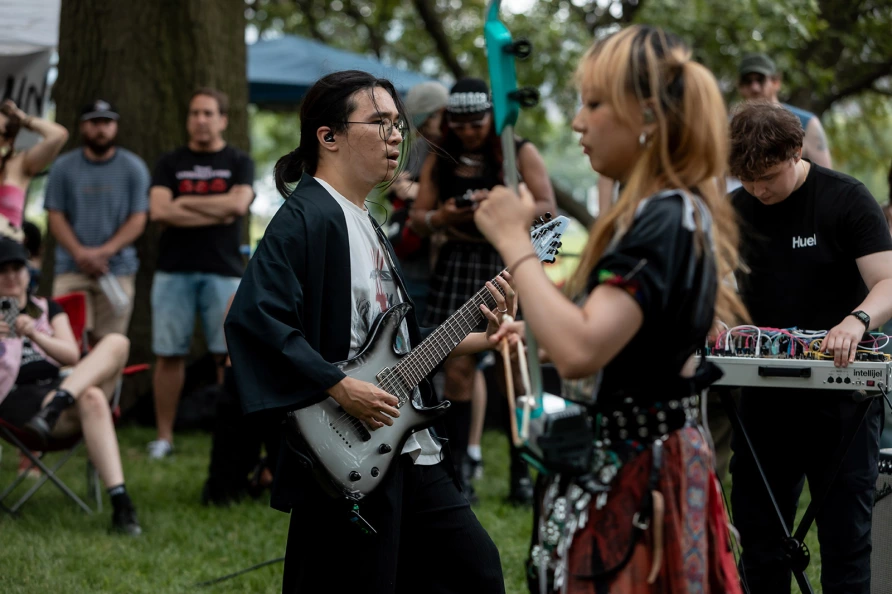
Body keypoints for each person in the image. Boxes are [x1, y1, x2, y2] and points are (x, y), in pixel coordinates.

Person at [475, 25, 746, 592]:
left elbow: (578, 349)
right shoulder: (666, 211)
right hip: (632, 462)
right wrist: (536, 323)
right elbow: (607, 335)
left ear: (647, 116)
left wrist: (515, 244)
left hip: (640, 474)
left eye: (595, 104)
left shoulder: (665, 219)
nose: (578, 122)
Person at [224, 70, 511, 594]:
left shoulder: (365, 219)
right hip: (349, 447)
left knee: (476, 569)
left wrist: (482, 335)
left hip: (406, 440)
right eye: (379, 122)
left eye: (398, 124)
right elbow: (253, 318)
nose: (397, 136)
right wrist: (336, 386)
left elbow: (401, 349)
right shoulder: (305, 218)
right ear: (327, 136)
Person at [728, 101, 892, 594]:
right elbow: (713, 282)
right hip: (763, 398)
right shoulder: (735, 209)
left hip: (841, 398)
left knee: (846, 541)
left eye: (769, 177)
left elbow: (886, 281)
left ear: (797, 152)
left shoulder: (846, 199)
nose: (759, 189)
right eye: (747, 179)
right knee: (760, 542)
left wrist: (856, 320)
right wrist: (718, 317)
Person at [410, 77, 556, 504]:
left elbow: (548, 208)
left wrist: (509, 211)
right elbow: (419, 217)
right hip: (458, 260)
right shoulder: (441, 156)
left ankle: (522, 473)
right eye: (461, 123)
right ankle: (460, 474)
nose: (470, 131)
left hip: (506, 260)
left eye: (477, 123)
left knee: (513, 365)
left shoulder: (516, 150)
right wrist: (445, 217)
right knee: (455, 365)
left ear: (491, 117)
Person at [0, 237, 141, 535]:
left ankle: (59, 403)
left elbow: (71, 355)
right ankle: (122, 503)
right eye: (3, 270)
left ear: (28, 272)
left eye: (17, 268)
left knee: (117, 342)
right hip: (19, 402)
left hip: (61, 389)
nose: (11, 276)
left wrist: (36, 335)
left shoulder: (47, 309)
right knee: (90, 396)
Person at [147, 87, 255, 459]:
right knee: (168, 353)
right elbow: (159, 211)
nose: (201, 120)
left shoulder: (239, 161)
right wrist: (217, 208)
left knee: (228, 356)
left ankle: (226, 437)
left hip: (224, 270)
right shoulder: (169, 162)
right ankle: (164, 437)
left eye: (209, 113)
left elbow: (239, 205)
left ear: (223, 119)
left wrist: (185, 202)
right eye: (195, 113)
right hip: (172, 270)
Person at [45, 100, 149, 344]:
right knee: (69, 341)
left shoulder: (133, 167)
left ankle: (103, 385)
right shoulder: (63, 167)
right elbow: (55, 216)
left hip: (117, 271)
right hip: (71, 270)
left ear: (116, 126)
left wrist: (103, 253)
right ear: (83, 126)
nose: (101, 129)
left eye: (107, 122)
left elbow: (138, 218)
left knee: (110, 344)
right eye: (94, 122)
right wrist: (80, 254)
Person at [737, 53, 832, 169]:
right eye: (747, 81)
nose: (754, 88)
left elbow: (825, 177)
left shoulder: (807, 123)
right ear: (740, 86)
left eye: (760, 80)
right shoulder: (731, 127)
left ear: (776, 82)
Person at [0, 99, 68, 240]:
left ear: (8, 140)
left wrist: (23, 119)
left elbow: (58, 135)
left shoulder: (18, 165)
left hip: (6, 251)